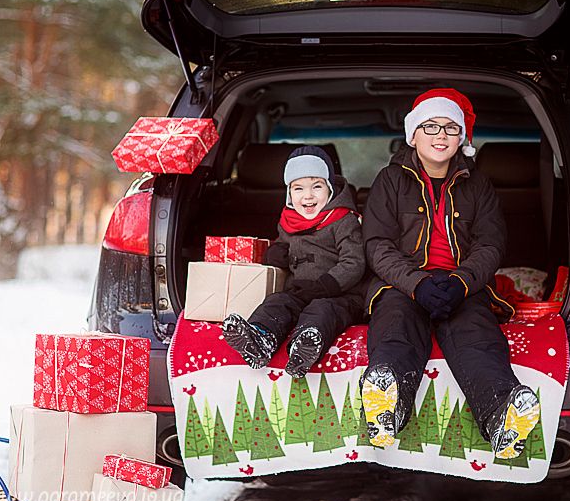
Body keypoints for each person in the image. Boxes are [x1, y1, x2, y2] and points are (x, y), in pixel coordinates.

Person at [360, 88, 540, 459]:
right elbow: (377, 244)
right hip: (402, 285)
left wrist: (462, 282)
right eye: (430, 127)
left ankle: (502, 414)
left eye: (449, 128)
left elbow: (491, 245)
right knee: (395, 328)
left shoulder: (479, 185)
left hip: (463, 286)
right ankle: (384, 406)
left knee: (477, 337)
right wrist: (416, 283)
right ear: (413, 134)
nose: (440, 135)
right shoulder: (389, 181)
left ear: (462, 138)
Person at [223, 146, 364, 378]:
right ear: (289, 194)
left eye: (316, 187)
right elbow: (283, 243)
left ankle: (306, 345)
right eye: (298, 189)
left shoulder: (344, 220)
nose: (307, 196)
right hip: (300, 292)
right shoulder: (289, 220)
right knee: (277, 302)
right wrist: (275, 253)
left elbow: (354, 262)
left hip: (340, 294)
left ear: (330, 189)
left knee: (323, 310)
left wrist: (325, 286)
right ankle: (261, 337)